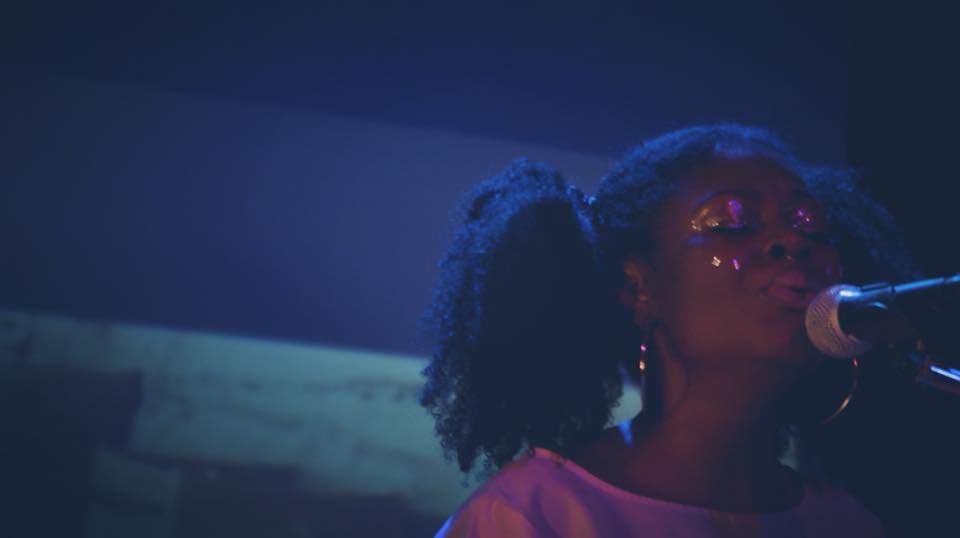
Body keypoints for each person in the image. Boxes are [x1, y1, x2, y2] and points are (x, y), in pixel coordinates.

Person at [419, 124, 918, 537]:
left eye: (809, 224)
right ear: (638, 288)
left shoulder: (845, 524)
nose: (792, 240)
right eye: (734, 221)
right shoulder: (531, 518)